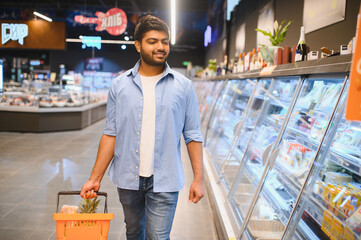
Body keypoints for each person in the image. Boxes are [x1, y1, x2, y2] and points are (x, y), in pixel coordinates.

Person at [80, 15, 204, 240]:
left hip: (165, 178)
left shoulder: (184, 87)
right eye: (153, 41)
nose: (160, 47)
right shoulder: (119, 85)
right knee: (134, 232)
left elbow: (193, 134)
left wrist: (199, 178)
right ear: (138, 45)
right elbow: (110, 134)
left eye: (165, 41)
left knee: (157, 236)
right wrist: (95, 177)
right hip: (128, 178)